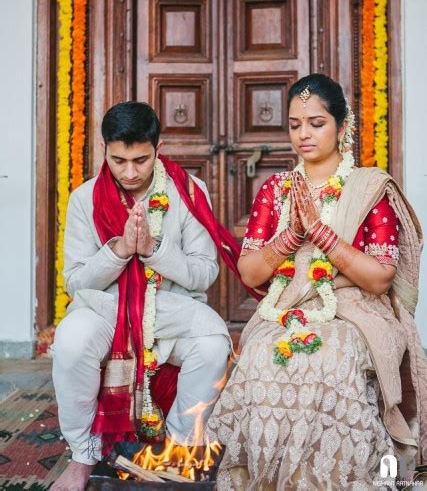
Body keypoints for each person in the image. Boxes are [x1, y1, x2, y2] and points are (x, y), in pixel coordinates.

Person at [206, 73, 427, 490]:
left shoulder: (369, 188)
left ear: (342, 127)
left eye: (316, 123)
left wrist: (322, 235)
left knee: (331, 361)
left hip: (357, 310)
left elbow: (380, 279)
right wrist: (291, 236)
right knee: (261, 359)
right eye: (294, 124)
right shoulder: (276, 190)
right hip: (289, 307)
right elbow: (250, 272)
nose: (303, 134)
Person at [51, 101, 234, 491]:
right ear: (104, 150)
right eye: (118, 160)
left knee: (214, 344)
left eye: (141, 160)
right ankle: (83, 455)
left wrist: (155, 250)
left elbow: (205, 272)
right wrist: (118, 252)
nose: (130, 172)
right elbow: (77, 283)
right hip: (106, 309)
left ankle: (181, 449)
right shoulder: (85, 200)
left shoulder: (189, 193)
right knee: (70, 341)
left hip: (170, 311)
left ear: (158, 147)